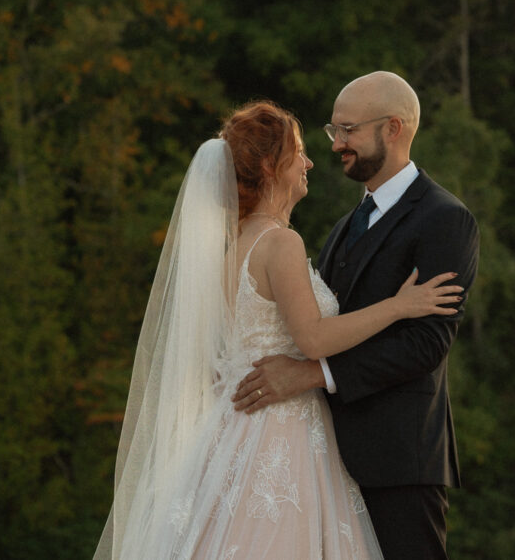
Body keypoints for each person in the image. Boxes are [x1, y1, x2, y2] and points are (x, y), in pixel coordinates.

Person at [93, 100, 464, 560]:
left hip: (230, 433)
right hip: (281, 433)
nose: (310, 161)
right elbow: (312, 340)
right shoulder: (280, 242)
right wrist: (399, 305)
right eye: (300, 151)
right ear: (270, 165)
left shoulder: (229, 248)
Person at [232, 72, 480, 559]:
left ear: (393, 128)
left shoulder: (445, 219)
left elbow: (426, 344)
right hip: (317, 459)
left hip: (399, 461)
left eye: (348, 131)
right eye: (334, 131)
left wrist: (312, 374)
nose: (336, 145)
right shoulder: (343, 228)